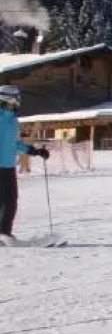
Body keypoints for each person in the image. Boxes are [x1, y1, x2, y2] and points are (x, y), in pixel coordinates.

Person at [0, 85, 49, 246]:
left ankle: (3, 234)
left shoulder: (13, 120)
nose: (18, 102)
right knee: (8, 202)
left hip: (8, 167)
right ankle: (3, 234)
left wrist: (34, 151)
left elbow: (14, 144)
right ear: (8, 99)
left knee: (10, 201)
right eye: (16, 99)